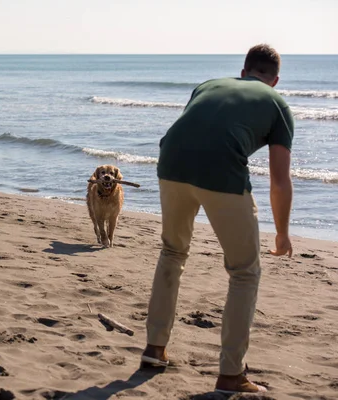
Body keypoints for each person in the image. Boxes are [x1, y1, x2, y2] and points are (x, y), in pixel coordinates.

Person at [140, 44, 294, 394]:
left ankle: (154, 349)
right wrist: (282, 234)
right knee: (244, 272)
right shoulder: (277, 103)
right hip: (221, 173)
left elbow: (193, 131)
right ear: (276, 80)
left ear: (244, 71)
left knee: (173, 252)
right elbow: (279, 180)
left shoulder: (208, 85)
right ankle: (230, 374)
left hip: (170, 164)